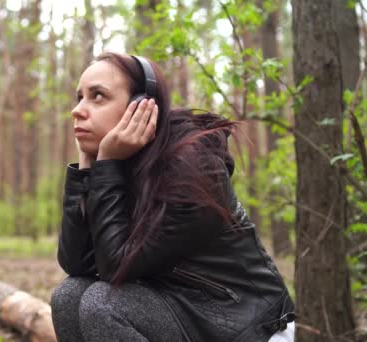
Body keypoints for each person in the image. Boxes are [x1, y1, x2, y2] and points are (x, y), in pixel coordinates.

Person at [50, 52, 295, 342]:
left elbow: (116, 267)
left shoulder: (192, 165)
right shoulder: (120, 165)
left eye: (98, 96)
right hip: (176, 309)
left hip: (245, 328)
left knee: (103, 304)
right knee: (68, 295)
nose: (78, 110)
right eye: (79, 97)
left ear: (140, 106)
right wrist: (89, 168)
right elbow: (77, 264)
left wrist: (106, 163)